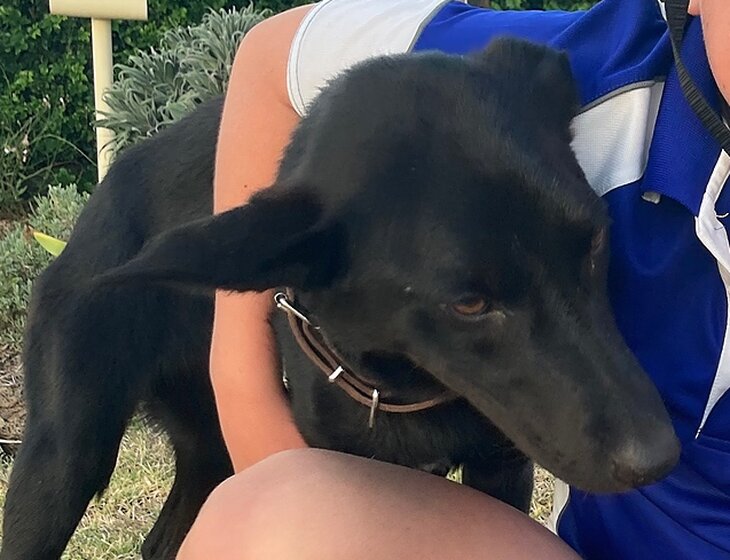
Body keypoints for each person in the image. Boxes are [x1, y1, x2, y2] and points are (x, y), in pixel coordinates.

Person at [177, 0, 730, 558]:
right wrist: (243, 385)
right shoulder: (604, 71)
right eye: (471, 302)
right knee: (257, 522)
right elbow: (271, 60)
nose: (644, 443)